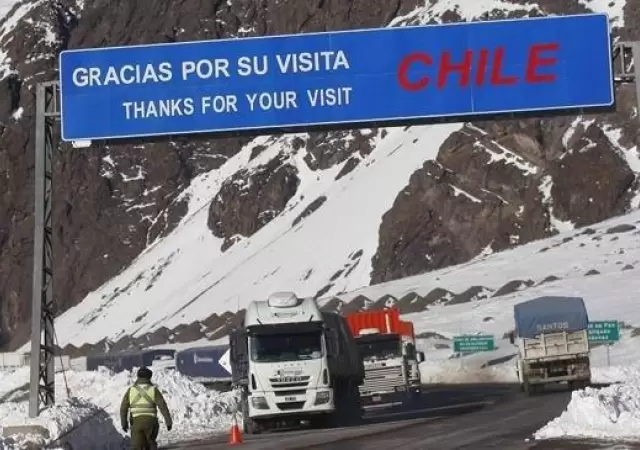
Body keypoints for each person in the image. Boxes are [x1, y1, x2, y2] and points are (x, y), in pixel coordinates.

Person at [120, 367, 173, 450]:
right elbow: (163, 406)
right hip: (151, 422)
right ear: (149, 377)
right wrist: (168, 422)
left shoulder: (130, 390)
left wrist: (124, 423)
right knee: (150, 442)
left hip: (136, 423)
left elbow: (123, 408)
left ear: (138, 376)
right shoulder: (153, 390)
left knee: (136, 447)